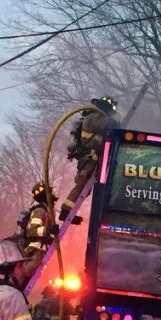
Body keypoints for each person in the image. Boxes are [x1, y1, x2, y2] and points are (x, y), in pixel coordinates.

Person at [58, 96, 120, 224]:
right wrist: (116, 125)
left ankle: (69, 212)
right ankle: (66, 212)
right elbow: (108, 127)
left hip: (85, 157)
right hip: (91, 157)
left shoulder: (87, 117)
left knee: (84, 188)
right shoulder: (98, 118)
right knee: (81, 185)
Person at [8, 182, 59, 277]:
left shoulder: (47, 211)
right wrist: (48, 230)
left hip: (39, 249)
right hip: (34, 250)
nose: (52, 195)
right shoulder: (40, 211)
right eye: (50, 193)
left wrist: (50, 238)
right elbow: (31, 231)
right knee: (28, 273)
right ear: (46, 195)